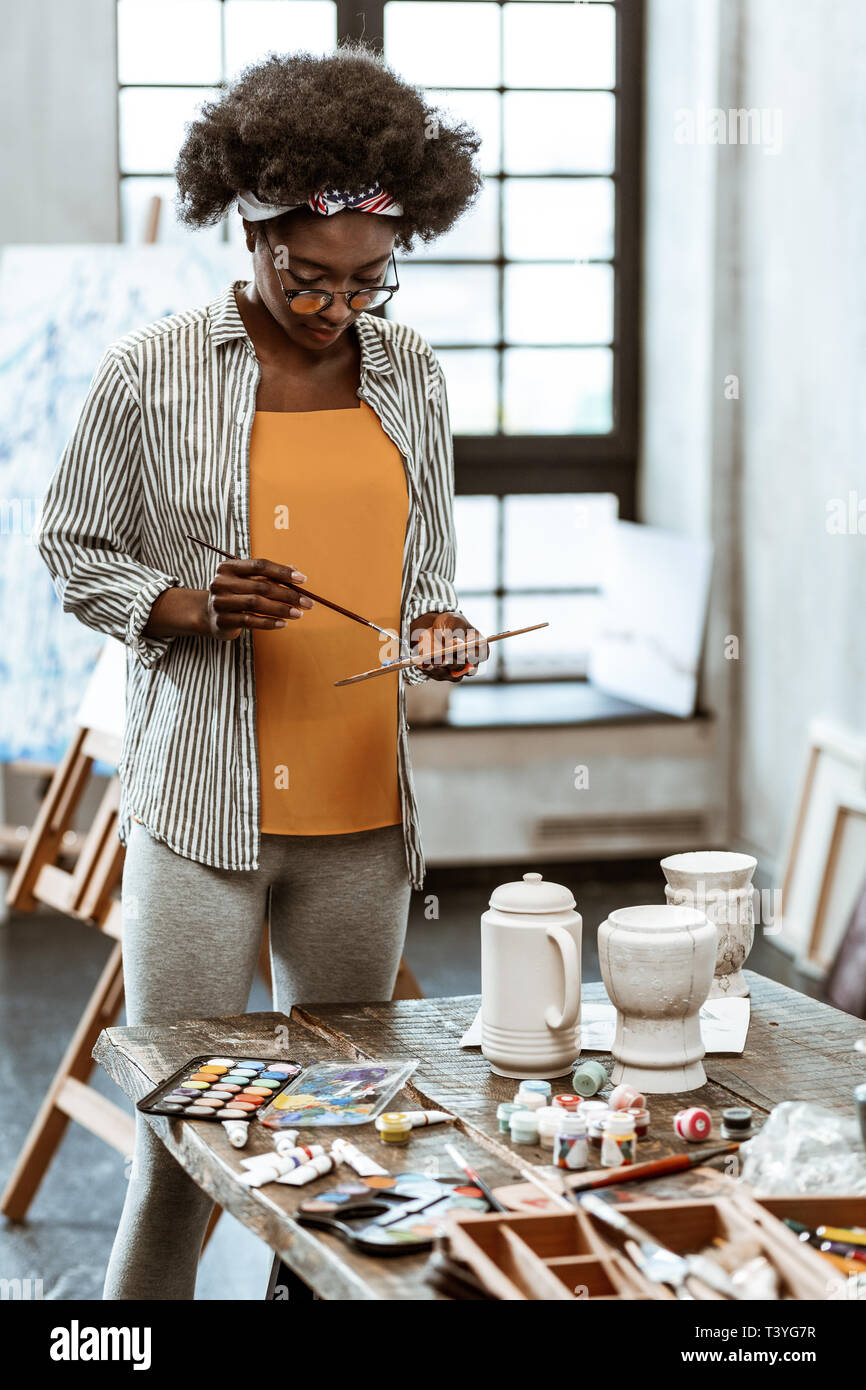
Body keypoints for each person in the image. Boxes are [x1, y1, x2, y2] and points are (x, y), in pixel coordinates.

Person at [35, 42, 487, 1299]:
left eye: (367, 282)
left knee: (347, 1140)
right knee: (183, 1140)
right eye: (308, 274)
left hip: (360, 812)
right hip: (201, 814)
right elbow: (71, 548)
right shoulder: (150, 371)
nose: (335, 306)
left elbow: (425, 569)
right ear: (249, 225)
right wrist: (180, 601)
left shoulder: (413, 377)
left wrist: (442, 627)